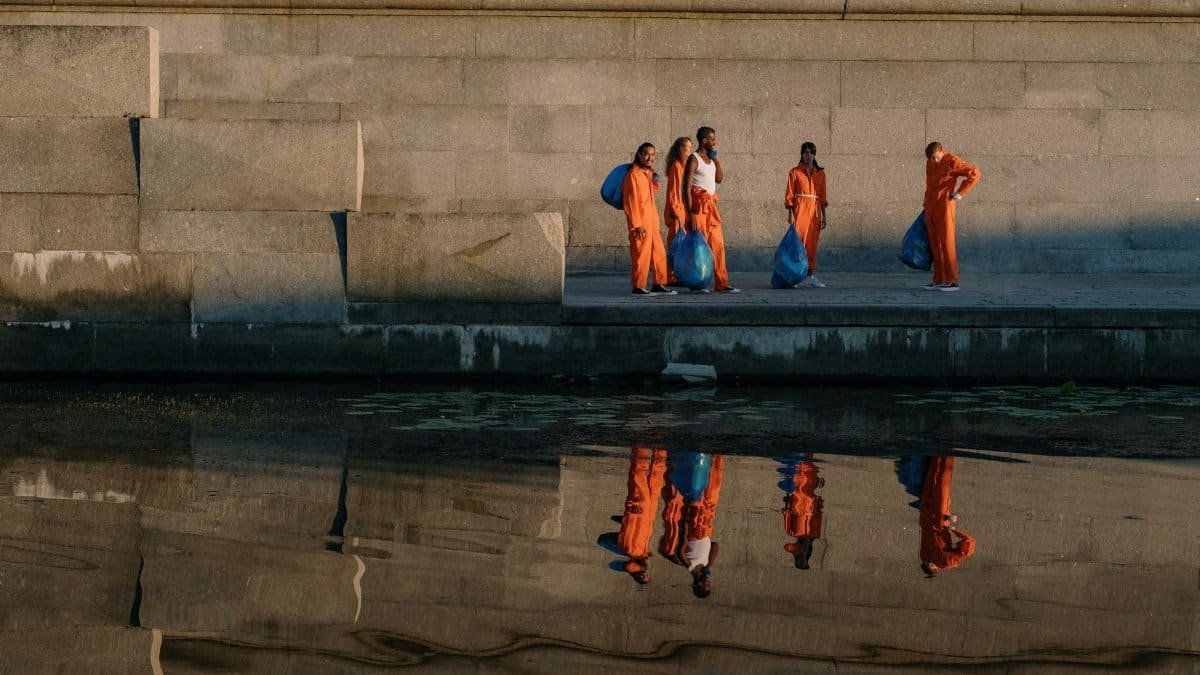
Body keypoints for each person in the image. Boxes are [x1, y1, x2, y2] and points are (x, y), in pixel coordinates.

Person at [658, 452, 724, 597]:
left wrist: (686, 520)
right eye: (708, 585)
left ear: (695, 584)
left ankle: (696, 457)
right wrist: (708, 565)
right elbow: (715, 546)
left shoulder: (688, 564)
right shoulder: (705, 564)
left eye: (704, 585)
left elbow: (681, 547)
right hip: (706, 526)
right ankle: (716, 456)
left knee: (699, 491)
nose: (707, 582)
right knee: (713, 486)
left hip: (694, 525)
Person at [684, 127, 739, 294]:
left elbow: (720, 178)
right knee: (699, 247)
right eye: (712, 140)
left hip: (711, 207)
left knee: (718, 245)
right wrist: (691, 214)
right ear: (704, 141)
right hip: (698, 208)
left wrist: (716, 160)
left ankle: (721, 283)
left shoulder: (711, 159)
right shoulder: (693, 159)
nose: (715, 143)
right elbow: (685, 188)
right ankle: (697, 283)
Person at [923, 141, 980, 292]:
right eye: (931, 159)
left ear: (941, 151)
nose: (933, 161)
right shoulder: (930, 163)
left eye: (935, 157)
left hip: (945, 206)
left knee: (947, 243)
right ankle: (939, 279)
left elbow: (974, 173)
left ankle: (952, 280)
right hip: (931, 206)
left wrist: (960, 193)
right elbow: (929, 183)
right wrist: (926, 198)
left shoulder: (952, 161)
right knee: (935, 244)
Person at [622, 142, 676, 296]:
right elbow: (631, 202)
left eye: (653, 155)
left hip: (652, 223)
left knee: (658, 253)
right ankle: (638, 287)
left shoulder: (647, 174)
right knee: (641, 255)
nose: (650, 157)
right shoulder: (633, 175)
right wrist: (636, 225)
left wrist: (655, 184)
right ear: (639, 154)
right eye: (647, 154)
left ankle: (659, 283)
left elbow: (647, 197)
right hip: (641, 224)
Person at [615, 447, 667, 584]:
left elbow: (625, 566)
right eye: (647, 576)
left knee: (638, 474)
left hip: (638, 510)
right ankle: (660, 448)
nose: (646, 573)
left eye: (643, 576)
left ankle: (640, 447)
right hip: (649, 512)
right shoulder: (643, 552)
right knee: (657, 477)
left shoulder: (630, 551)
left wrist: (630, 512)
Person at [918, 455, 975, 577]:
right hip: (930, 518)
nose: (928, 562)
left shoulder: (928, 558)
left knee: (938, 480)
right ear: (934, 568)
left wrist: (953, 530)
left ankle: (942, 454)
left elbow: (968, 546)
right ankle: (942, 453)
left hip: (936, 519)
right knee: (936, 480)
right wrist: (953, 530)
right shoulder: (943, 561)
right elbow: (967, 547)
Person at [784, 141, 829, 288]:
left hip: (815, 212)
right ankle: (797, 275)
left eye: (811, 153)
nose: (808, 156)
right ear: (802, 155)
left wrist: (824, 216)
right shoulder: (795, 172)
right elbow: (790, 194)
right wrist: (790, 213)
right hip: (800, 210)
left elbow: (822, 196)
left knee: (812, 243)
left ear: (814, 155)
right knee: (799, 243)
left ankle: (810, 276)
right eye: (805, 153)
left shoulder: (820, 174)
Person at [779, 455, 824, 570]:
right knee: (802, 463)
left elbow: (819, 513)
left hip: (808, 492)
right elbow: (786, 512)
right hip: (799, 492)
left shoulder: (815, 534)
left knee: (807, 463)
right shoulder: (793, 532)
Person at [663, 136, 693, 286]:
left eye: (690, 147)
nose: (690, 151)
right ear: (680, 149)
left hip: (681, 210)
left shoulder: (683, 166)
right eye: (687, 148)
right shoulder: (676, 166)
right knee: (675, 243)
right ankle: (670, 276)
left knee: (679, 244)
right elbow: (674, 191)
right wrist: (675, 210)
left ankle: (676, 275)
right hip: (677, 211)